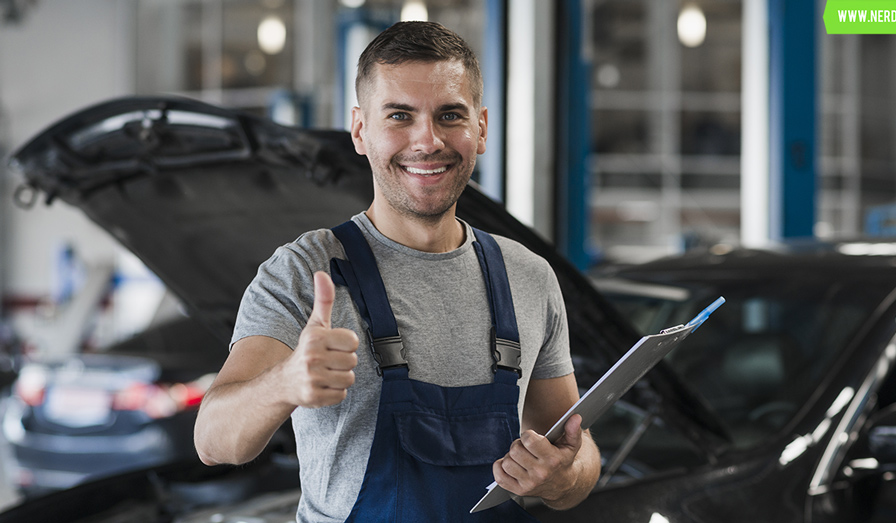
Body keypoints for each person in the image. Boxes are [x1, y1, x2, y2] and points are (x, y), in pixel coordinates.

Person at [193, 20, 600, 522]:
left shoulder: (528, 276)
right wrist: (285, 383)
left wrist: (563, 477)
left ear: (482, 128)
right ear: (361, 131)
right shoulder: (303, 272)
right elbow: (213, 441)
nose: (427, 140)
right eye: (400, 116)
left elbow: (575, 447)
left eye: (450, 115)